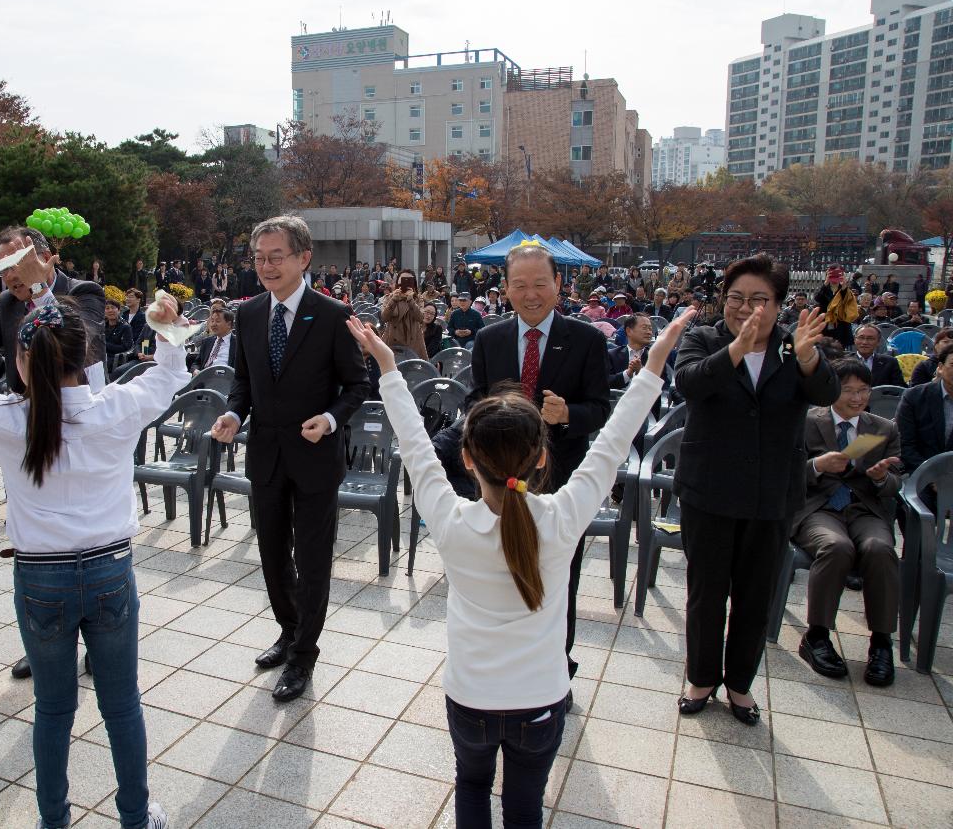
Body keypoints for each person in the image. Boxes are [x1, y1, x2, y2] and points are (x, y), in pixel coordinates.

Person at [350, 308, 690, 826]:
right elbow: (612, 442)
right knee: (526, 804)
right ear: (540, 458)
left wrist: (389, 366)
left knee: (470, 786)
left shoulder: (450, 518)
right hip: (541, 700)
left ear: (466, 459)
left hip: (469, 698)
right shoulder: (563, 516)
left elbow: (416, 445)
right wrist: (655, 363)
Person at [0, 244, 176, 829]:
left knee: (53, 710)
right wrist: (166, 326)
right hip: (111, 571)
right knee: (121, 706)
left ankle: (53, 821)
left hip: (40, 578)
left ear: (22, 359)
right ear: (84, 356)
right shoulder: (116, 407)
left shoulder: (8, 419)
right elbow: (169, 376)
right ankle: (136, 818)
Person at [210, 215, 370, 703]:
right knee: (272, 552)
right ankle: (288, 630)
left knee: (313, 557)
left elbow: (358, 385)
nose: (266, 267)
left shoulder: (331, 314)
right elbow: (244, 382)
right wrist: (234, 414)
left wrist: (330, 416)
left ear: (304, 258)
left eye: (276, 257)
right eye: (259, 258)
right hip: (266, 454)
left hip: (315, 456)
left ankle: (305, 655)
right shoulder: (251, 313)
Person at [674, 253, 836, 726]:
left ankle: (740, 684)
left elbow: (826, 394)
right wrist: (736, 351)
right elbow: (689, 384)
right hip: (710, 489)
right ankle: (701, 677)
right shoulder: (705, 338)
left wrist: (808, 359)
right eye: (736, 298)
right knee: (707, 591)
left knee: (755, 595)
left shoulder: (793, 348)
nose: (745, 309)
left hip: (771, 493)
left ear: (779, 305)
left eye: (758, 300)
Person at [469, 243, 612, 687]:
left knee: (558, 574)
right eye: (520, 285)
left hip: (560, 476)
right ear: (506, 288)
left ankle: (557, 665)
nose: (531, 294)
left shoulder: (587, 339)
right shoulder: (489, 339)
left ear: (558, 285)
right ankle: (506, 658)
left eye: (540, 284)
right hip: (499, 480)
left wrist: (569, 415)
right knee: (499, 569)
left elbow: (601, 408)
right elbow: (476, 398)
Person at [791, 359, 901, 687]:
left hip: (864, 508)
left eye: (864, 390)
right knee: (836, 547)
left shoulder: (882, 428)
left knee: (881, 548)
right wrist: (817, 466)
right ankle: (817, 635)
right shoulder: (807, 422)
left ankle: (881, 642)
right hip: (818, 507)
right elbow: (784, 473)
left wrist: (882, 478)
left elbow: (898, 481)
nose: (857, 398)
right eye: (849, 390)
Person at [0, 228, 107, 394]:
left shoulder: (85, 292)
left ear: (46, 258)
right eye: (3, 269)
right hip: (26, 408)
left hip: (82, 403)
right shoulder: (9, 301)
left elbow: (77, 344)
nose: (10, 276)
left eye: (19, 263)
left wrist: (38, 288)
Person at [897, 343, 953, 475]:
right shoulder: (914, 397)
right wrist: (930, 475)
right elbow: (905, 445)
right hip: (922, 473)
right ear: (940, 368)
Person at [380, 271, 426, 360]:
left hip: (413, 341)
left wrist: (411, 300)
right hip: (392, 341)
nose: (405, 283)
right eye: (403, 280)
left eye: (409, 280)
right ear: (398, 282)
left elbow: (420, 318)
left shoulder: (418, 298)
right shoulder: (390, 297)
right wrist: (393, 300)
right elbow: (384, 317)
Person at [815, 265, 859, 350]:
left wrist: (844, 285)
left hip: (840, 323)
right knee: (823, 347)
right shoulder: (824, 288)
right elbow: (818, 298)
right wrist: (826, 282)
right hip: (825, 322)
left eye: (837, 273)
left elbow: (847, 301)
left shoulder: (845, 289)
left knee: (840, 347)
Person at [103, 298, 134, 372]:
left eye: (113, 308)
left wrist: (104, 345)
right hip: (103, 356)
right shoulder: (103, 326)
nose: (110, 310)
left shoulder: (125, 327)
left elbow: (125, 347)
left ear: (119, 310)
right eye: (107, 308)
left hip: (116, 359)